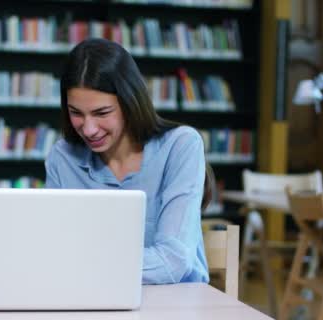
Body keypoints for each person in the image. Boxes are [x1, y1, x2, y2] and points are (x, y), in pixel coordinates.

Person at [45, 38, 210, 284]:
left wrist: (84, 267)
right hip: (91, 303)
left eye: (102, 113)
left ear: (129, 101)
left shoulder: (181, 145)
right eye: (76, 113)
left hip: (174, 304)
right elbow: (54, 252)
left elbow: (173, 262)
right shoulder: (62, 157)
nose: (88, 129)